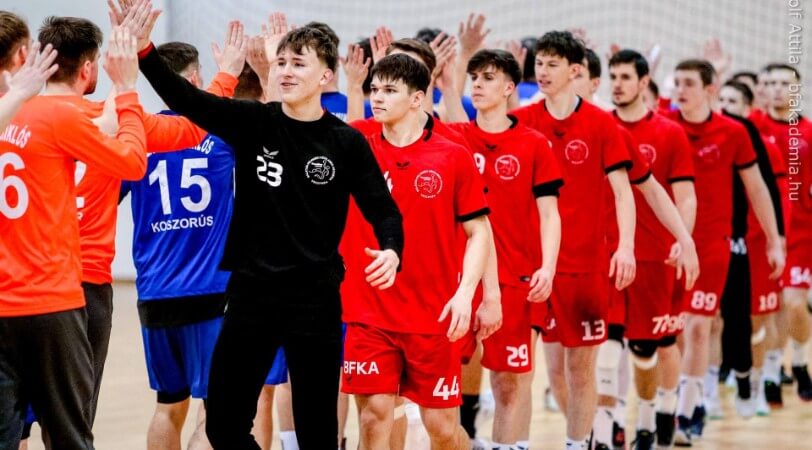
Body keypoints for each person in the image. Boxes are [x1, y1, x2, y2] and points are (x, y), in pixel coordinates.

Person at [133, 6, 404, 446]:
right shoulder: (253, 122)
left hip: (315, 301)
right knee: (222, 425)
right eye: (281, 62)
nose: (286, 70)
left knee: (318, 434)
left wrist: (392, 249)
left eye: (299, 63)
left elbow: (384, 210)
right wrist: (145, 50)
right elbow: (186, 99)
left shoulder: (346, 142)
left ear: (325, 76)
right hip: (251, 295)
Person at [0, 20, 147, 449]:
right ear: (24, 56)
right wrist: (127, 87)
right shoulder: (54, 115)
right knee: (69, 435)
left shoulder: (24, 114)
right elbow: (132, 162)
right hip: (50, 299)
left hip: (6, 299)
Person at [340, 52, 491, 450]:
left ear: (417, 98)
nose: (378, 97)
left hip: (433, 314)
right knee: (374, 416)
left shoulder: (452, 155)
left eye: (390, 90)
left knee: (442, 428)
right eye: (374, 89)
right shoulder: (353, 147)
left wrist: (467, 294)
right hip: (369, 312)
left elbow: (479, 231)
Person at [509, 30, 637, 450]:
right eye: (539, 64)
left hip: (586, 267)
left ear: (575, 70)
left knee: (581, 370)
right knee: (551, 373)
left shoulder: (601, 124)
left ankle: (578, 444)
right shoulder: (525, 120)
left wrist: (626, 247)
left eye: (553, 64)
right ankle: (579, 437)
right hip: (537, 269)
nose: (543, 71)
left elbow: (624, 193)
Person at [446, 49, 562, 450]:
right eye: (474, 77)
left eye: (488, 77)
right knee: (445, 381)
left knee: (509, 382)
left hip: (516, 280)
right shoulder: (455, 137)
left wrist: (548, 266)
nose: (477, 84)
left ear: (510, 87)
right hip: (461, 280)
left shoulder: (534, 144)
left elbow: (550, 214)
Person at [668, 59, 784, 446]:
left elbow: (758, 188)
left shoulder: (733, 132)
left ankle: (688, 412)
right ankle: (679, 398)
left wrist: (775, 239)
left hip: (713, 245)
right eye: (677, 82)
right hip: (670, 244)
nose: (680, 90)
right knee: (674, 333)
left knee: (700, 326)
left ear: (709, 89)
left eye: (688, 83)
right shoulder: (665, 126)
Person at [718, 79, 789, 416]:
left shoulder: (764, 148)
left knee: (757, 319)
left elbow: (776, 197)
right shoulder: (709, 141)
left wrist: (778, 239)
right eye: (721, 100)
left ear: (747, 109)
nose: (724, 107)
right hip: (718, 241)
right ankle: (706, 394)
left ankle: (759, 382)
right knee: (711, 320)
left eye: (732, 101)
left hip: (755, 243)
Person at [759, 63, 812, 403]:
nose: (778, 89)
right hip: (763, 233)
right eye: (773, 83)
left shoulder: (808, 132)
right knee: (770, 308)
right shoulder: (753, 128)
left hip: (802, 232)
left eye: (786, 83)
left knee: (793, 305)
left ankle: (801, 362)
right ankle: (772, 372)